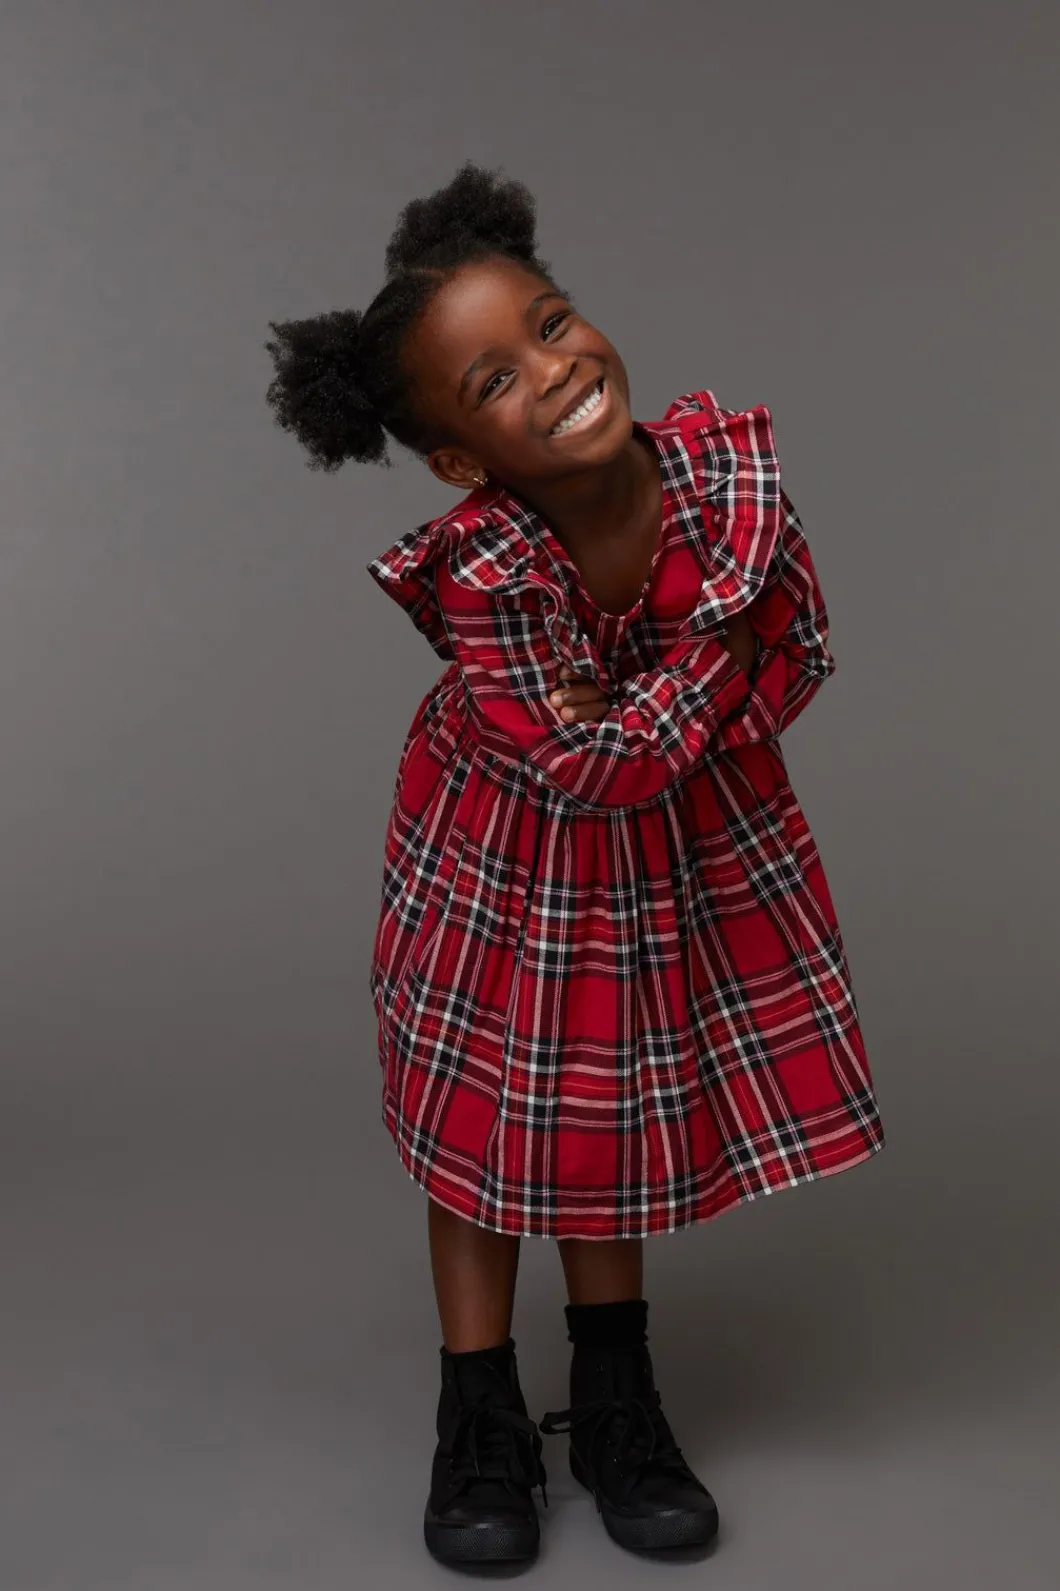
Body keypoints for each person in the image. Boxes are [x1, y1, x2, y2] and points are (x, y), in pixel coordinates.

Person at [264, 161, 885, 1570]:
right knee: (487, 1129)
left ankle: (617, 1401)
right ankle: (477, 1409)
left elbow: (796, 659)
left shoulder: (720, 480)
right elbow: (592, 768)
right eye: (494, 380)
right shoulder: (486, 567)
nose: (552, 368)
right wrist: (703, 659)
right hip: (502, 862)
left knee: (614, 1109)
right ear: (460, 462)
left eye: (550, 323)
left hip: (668, 860)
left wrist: (653, 704)